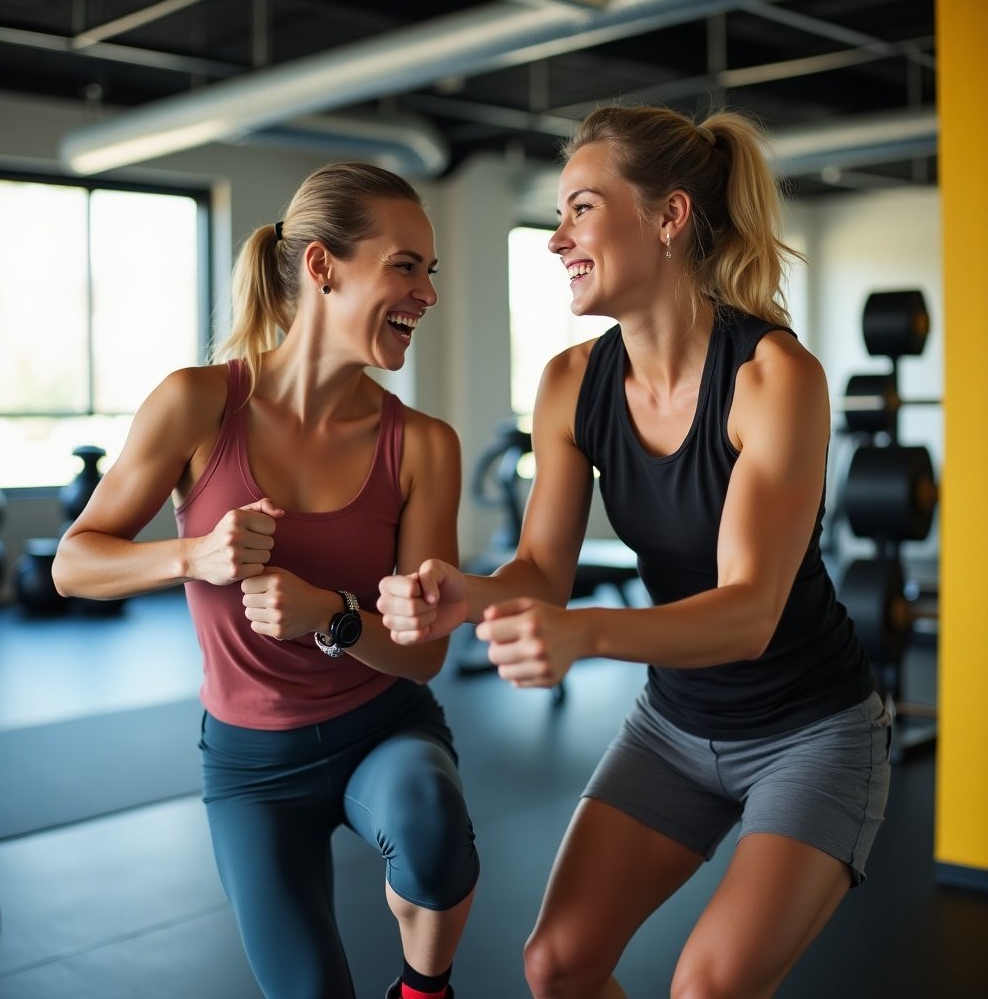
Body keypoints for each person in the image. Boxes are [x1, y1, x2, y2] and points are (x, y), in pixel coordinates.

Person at [377, 104, 890, 999]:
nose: (555, 238)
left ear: (668, 217)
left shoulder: (774, 378)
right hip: (677, 728)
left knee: (706, 990)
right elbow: (541, 569)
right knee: (558, 966)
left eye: (581, 206)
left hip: (813, 733)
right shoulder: (573, 383)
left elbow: (748, 611)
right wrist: (467, 592)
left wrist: (585, 634)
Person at [53, 161, 479, 999]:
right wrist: (194, 555)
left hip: (382, 729)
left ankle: (424, 992)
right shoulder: (198, 405)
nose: (427, 293)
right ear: (322, 268)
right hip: (252, 767)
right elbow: (75, 562)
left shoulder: (424, 445)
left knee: (431, 824)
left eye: (431, 271)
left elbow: (425, 657)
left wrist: (335, 616)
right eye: (405, 265)